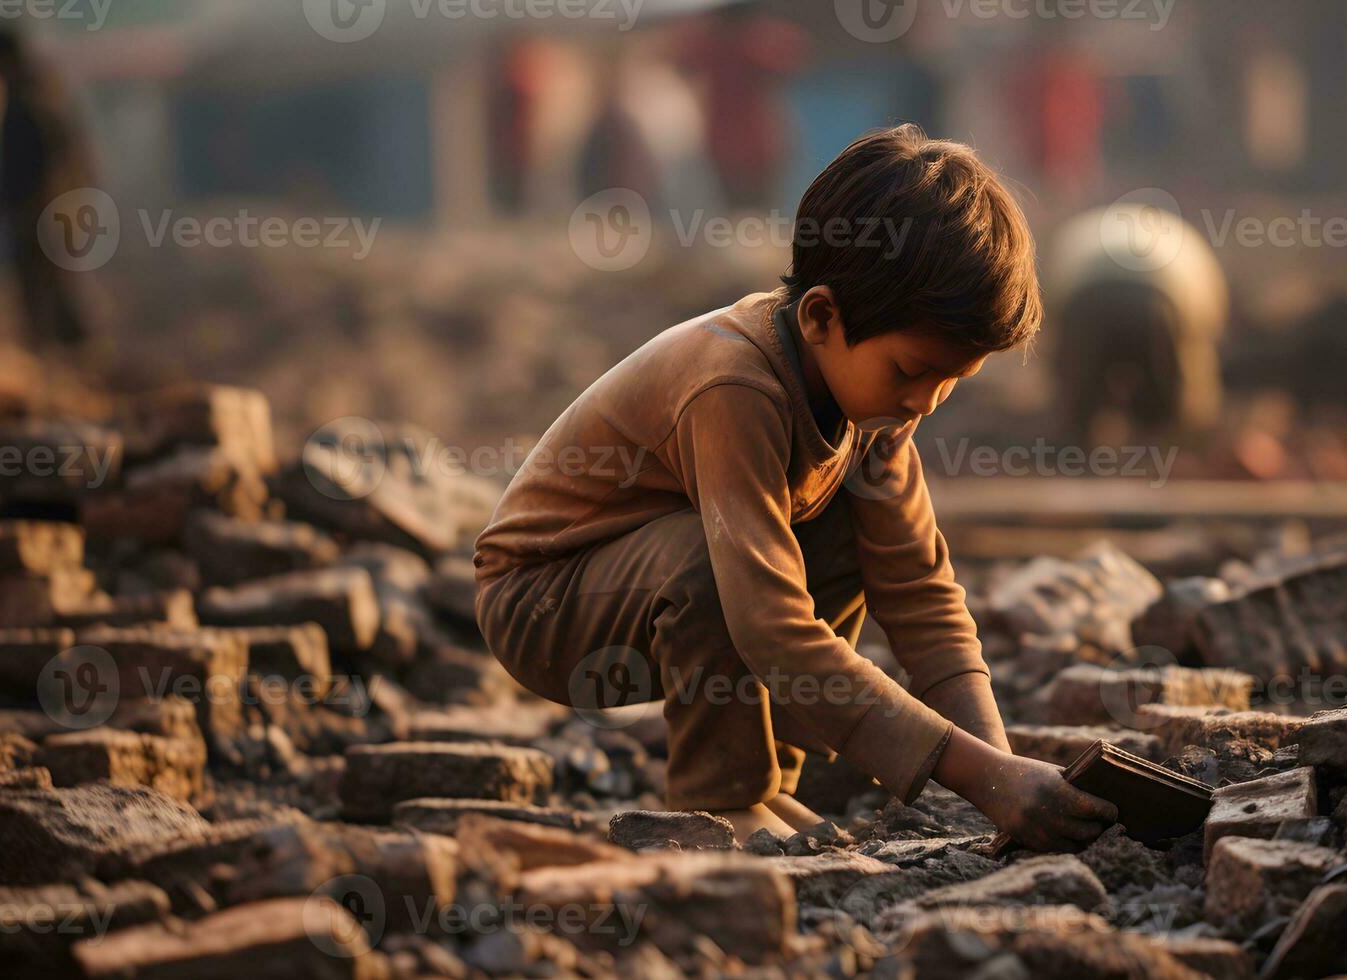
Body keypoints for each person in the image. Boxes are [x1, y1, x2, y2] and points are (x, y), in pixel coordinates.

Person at [475, 125, 1118, 848]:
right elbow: (769, 630)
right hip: (542, 605)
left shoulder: (871, 409)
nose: (925, 403)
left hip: (641, 584)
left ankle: (769, 784)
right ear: (820, 316)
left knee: (838, 539)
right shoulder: (733, 386)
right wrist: (975, 776)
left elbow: (920, 597)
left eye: (951, 381)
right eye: (912, 371)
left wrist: (999, 769)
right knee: (718, 566)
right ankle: (719, 800)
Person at [0, 28, 98, 348]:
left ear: (3, 59)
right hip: (55, 202)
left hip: (44, 204)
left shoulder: (30, 95)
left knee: (44, 278)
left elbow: (29, 157)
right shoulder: (40, 88)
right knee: (53, 278)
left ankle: (64, 347)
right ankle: (68, 347)